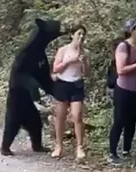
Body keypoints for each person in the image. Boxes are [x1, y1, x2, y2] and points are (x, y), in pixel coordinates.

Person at [108, 19, 136, 165]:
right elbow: (121, 70)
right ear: (132, 30)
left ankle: (126, 150)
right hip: (124, 90)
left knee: (132, 121)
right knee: (120, 120)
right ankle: (112, 153)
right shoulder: (123, 47)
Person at [50, 23, 90, 160]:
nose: (81, 37)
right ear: (72, 35)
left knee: (77, 116)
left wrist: (84, 62)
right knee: (60, 116)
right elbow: (55, 69)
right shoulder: (63, 50)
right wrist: (69, 61)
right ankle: (59, 146)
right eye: (79, 33)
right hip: (62, 84)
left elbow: (87, 73)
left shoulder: (86, 52)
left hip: (77, 84)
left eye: (83, 34)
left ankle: (79, 147)